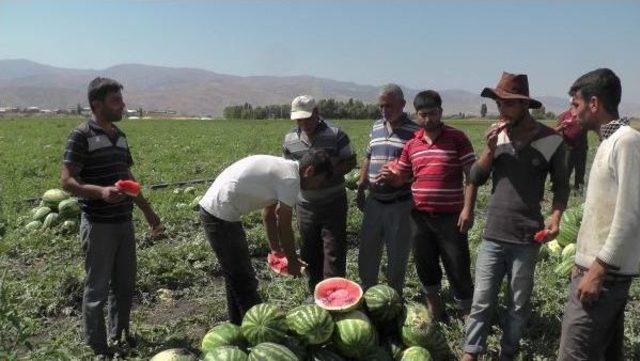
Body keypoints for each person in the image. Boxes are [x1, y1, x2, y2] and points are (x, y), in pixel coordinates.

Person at [462, 72, 569, 361]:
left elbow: (561, 187)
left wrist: (555, 217)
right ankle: (471, 352)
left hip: (527, 236)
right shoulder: (498, 136)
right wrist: (489, 149)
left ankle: (507, 353)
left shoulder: (551, 140)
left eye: (508, 104)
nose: (501, 110)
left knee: (518, 304)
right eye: (498, 104)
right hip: (494, 233)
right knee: (482, 300)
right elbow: (475, 176)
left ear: (524, 104)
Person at [61, 77, 162, 357]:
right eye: (116, 100)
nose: (123, 105)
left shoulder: (120, 136)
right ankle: (97, 346)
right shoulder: (81, 135)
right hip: (97, 224)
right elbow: (67, 181)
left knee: (125, 284)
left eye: (121, 99)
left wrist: (147, 210)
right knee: (97, 288)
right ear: (97, 104)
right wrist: (100, 192)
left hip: (123, 221)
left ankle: (119, 335)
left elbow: (127, 177)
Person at [557, 68, 640, 361]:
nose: (571, 111)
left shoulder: (626, 141)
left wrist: (597, 269)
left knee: (574, 354)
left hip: (604, 278)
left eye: (575, 104)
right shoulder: (608, 141)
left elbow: (630, 213)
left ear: (594, 104)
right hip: (596, 273)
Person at [198, 150, 333, 324]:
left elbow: (268, 215)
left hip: (219, 210)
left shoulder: (285, 169)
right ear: (310, 172)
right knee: (244, 279)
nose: (317, 187)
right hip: (219, 214)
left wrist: (276, 250)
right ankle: (257, 328)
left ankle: (238, 324)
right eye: (319, 181)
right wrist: (292, 261)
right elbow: (284, 225)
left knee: (236, 275)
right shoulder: (291, 180)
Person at [377, 90, 477, 318]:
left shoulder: (457, 138)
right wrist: (390, 176)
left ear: (441, 112)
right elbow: (402, 176)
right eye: (423, 114)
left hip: (450, 216)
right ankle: (435, 306)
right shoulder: (412, 144)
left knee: (457, 264)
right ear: (417, 115)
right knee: (425, 264)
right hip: (419, 216)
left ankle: (467, 312)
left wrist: (468, 209)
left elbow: (471, 175)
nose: (429, 119)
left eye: (433, 113)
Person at [282, 95, 356, 292]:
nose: (303, 123)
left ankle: (336, 294)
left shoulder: (336, 134)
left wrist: (328, 174)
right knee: (308, 251)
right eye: (299, 119)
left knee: (334, 251)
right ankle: (314, 292)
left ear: (317, 112)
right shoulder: (289, 140)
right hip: (305, 205)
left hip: (333, 202)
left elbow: (351, 161)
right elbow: (288, 170)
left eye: (307, 117)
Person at [356, 84, 420, 296]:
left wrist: (401, 178)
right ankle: (368, 293)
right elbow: (368, 156)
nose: (384, 111)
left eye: (389, 106)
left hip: (400, 203)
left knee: (397, 254)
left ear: (402, 104)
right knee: (367, 251)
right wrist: (361, 184)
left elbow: (420, 167)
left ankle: (393, 298)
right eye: (381, 106)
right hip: (374, 201)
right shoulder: (376, 126)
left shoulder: (415, 132)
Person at [555, 108, 588, 191]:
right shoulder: (565, 115)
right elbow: (556, 130)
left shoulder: (583, 115)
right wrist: (562, 126)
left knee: (580, 171)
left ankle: (578, 190)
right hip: (568, 148)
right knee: (566, 170)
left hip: (581, 149)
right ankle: (562, 189)